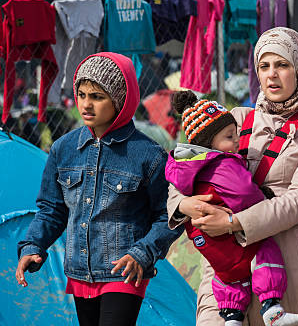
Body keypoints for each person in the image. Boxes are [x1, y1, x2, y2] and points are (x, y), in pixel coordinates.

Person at [166, 27, 298, 325]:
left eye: (282, 65)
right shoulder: (235, 119)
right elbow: (186, 167)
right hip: (225, 264)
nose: (272, 75)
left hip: (285, 260)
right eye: (264, 66)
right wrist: (185, 206)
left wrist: (234, 223)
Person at [16, 52, 181, 326]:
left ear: (120, 100)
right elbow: (51, 210)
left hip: (124, 273)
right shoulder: (62, 149)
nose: (86, 105)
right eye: (81, 95)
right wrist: (33, 245)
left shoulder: (148, 155)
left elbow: (170, 215)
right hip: (79, 272)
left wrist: (143, 253)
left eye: (97, 96)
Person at [165, 91, 298, 326]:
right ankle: (271, 306)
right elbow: (244, 192)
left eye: (236, 133)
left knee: (228, 275)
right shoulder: (223, 163)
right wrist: (263, 202)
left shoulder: (186, 165)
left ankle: (232, 316)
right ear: (209, 143)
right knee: (265, 250)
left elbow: (176, 188)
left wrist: (186, 204)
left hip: (206, 240)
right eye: (230, 136)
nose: (237, 140)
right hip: (231, 232)